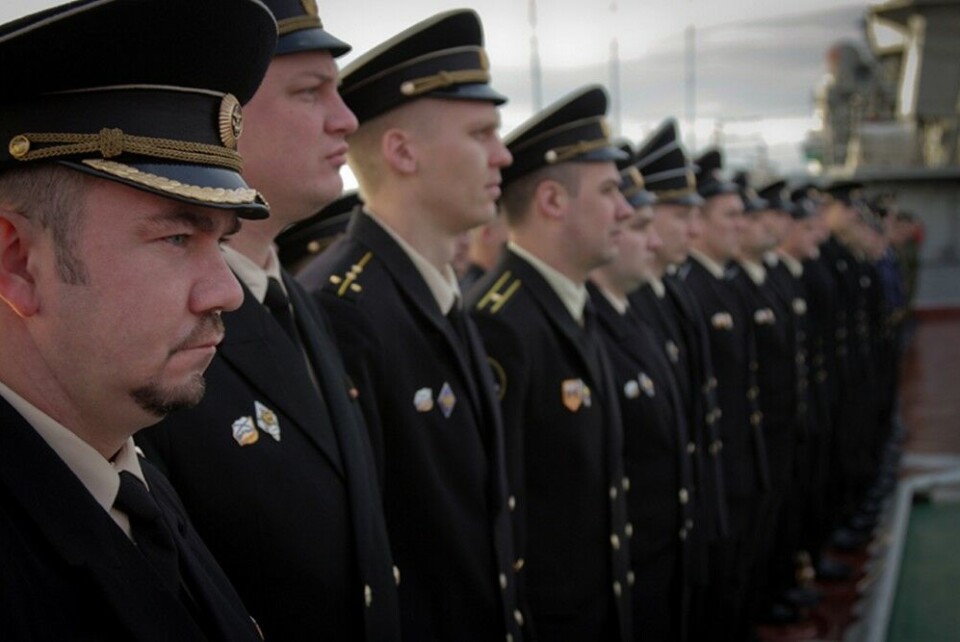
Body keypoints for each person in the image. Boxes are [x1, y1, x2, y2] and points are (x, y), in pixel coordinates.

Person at [0, 0, 277, 639]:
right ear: (18, 263)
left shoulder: (126, 479)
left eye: (223, 243)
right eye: (178, 238)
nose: (226, 294)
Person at [137, 2, 401, 640]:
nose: (346, 120)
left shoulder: (296, 299)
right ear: (218, 116)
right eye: (310, 93)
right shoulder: (158, 326)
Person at [297, 11, 523, 640]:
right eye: (481, 133)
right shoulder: (342, 311)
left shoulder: (432, 291)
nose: (503, 155)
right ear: (402, 151)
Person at [467, 85, 634, 641]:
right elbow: (503, 521)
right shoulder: (500, 324)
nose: (626, 210)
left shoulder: (569, 303)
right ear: (553, 201)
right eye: (610, 191)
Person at [589, 154, 696, 641]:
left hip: (660, 546)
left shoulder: (634, 313)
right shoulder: (585, 326)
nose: (653, 243)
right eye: (639, 227)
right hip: (624, 562)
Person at [679, 149, 771, 641]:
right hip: (718, 471)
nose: (740, 225)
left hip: (739, 461)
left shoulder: (725, 286)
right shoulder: (693, 289)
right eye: (729, 216)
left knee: (738, 577)